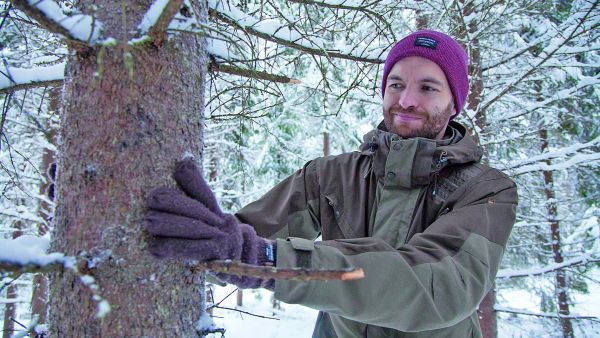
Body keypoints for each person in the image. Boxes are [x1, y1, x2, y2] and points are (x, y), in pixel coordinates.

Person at [144, 30, 518, 337]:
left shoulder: (487, 191)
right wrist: (205, 228)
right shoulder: (330, 176)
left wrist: (275, 261)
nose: (406, 100)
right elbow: (245, 236)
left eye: (428, 88)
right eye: (396, 84)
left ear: (455, 103)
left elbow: (437, 288)